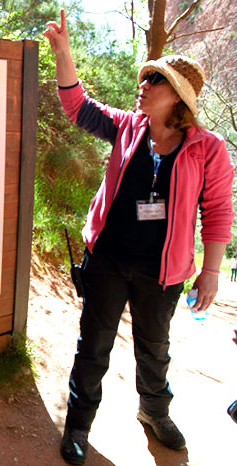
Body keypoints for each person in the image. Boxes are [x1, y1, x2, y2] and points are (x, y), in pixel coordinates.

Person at [43, 9, 235, 465]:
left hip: (162, 272)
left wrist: (210, 271)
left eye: (154, 82)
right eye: (145, 79)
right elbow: (79, 107)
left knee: (155, 351)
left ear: (177, 98)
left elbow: (218, 212)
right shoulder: (128, 126)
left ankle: (153, 412)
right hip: (107, 259)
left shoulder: (207, 149)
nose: (143, 86)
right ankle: (78, 426)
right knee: (93, 347)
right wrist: (64, 53)